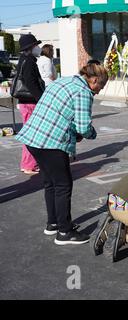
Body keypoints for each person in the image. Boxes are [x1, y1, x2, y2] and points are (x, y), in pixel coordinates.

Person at [15, 63, 108, 245]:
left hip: (33, 138)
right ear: (94, 80)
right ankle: (64, 232)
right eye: (101, 87)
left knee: (51, 182)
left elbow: (63, 113)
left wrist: (75, 132)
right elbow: (83, 125)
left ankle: (53, 223)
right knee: (63, 185)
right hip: (51, 142)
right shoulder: (83, 92)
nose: (99, 91)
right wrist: (91, 133)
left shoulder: (63, 81)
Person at [16, 34, 45, 175]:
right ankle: (28, 165)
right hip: (30, 103)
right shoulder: (28, 62)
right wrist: (42, 100)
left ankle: (28, 163)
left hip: (26, 102)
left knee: (30, 134)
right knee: (31, 135)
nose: (38, 48)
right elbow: (31, 84)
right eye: (35, 45)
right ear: (30, 47)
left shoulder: (24, 60)